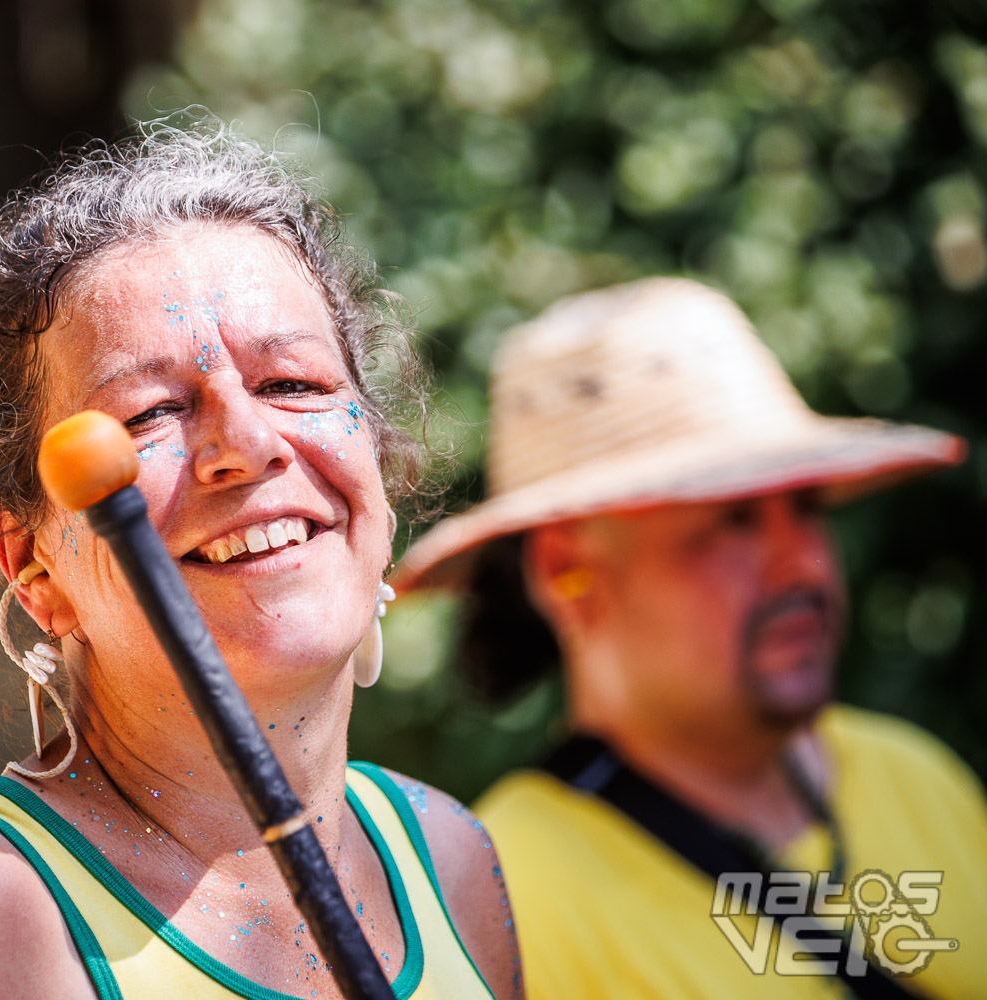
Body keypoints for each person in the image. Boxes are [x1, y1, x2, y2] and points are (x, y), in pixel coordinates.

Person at [0, 123, 522, 1000]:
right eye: (150, 413)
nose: (248, 444)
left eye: (293, 384)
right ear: (32, 565)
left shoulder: (450, 860)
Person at [393, 277, 986, 999]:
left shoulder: (920, 778)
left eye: (805, 506)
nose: (803, 563)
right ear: (566, 571)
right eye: (734, 520)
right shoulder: (505, 899)